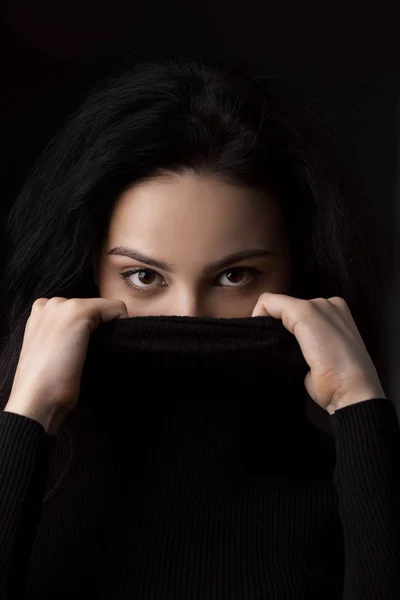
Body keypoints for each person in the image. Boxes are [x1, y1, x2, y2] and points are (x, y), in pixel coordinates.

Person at [0, 52, 398, 599]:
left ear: (298, 276)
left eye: (235, 275)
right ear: (86, 274)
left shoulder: (350, 481)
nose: (187, 316)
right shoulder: (25, 469)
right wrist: (28, 414)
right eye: (143, 276)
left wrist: (361, 405)